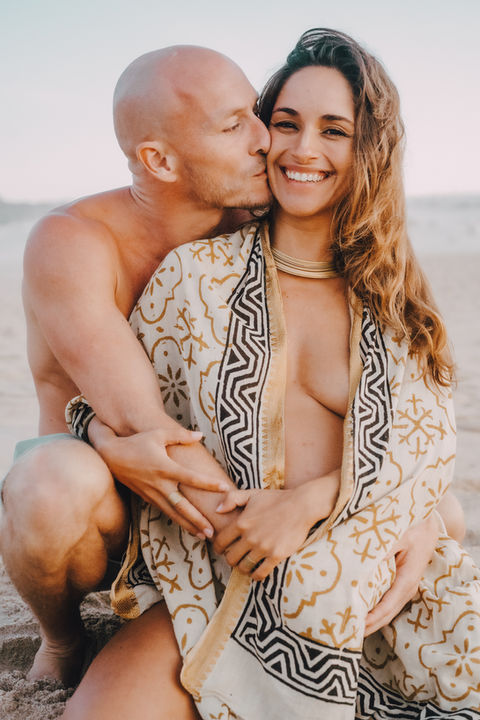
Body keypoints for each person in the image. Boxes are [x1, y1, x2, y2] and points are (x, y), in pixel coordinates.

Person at [0, 43, 442, 694]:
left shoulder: (260, 220)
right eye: (235, 125)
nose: (266, 139)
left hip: (219, 480)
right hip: (107, 506)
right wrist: (296, 544)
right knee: (49, 484)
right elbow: (148, 428)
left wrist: (396, 505)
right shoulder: (74, 242)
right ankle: (63, 638)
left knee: (440, 516)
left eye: (256, 114)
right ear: (159, 160)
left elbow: (398, 402)